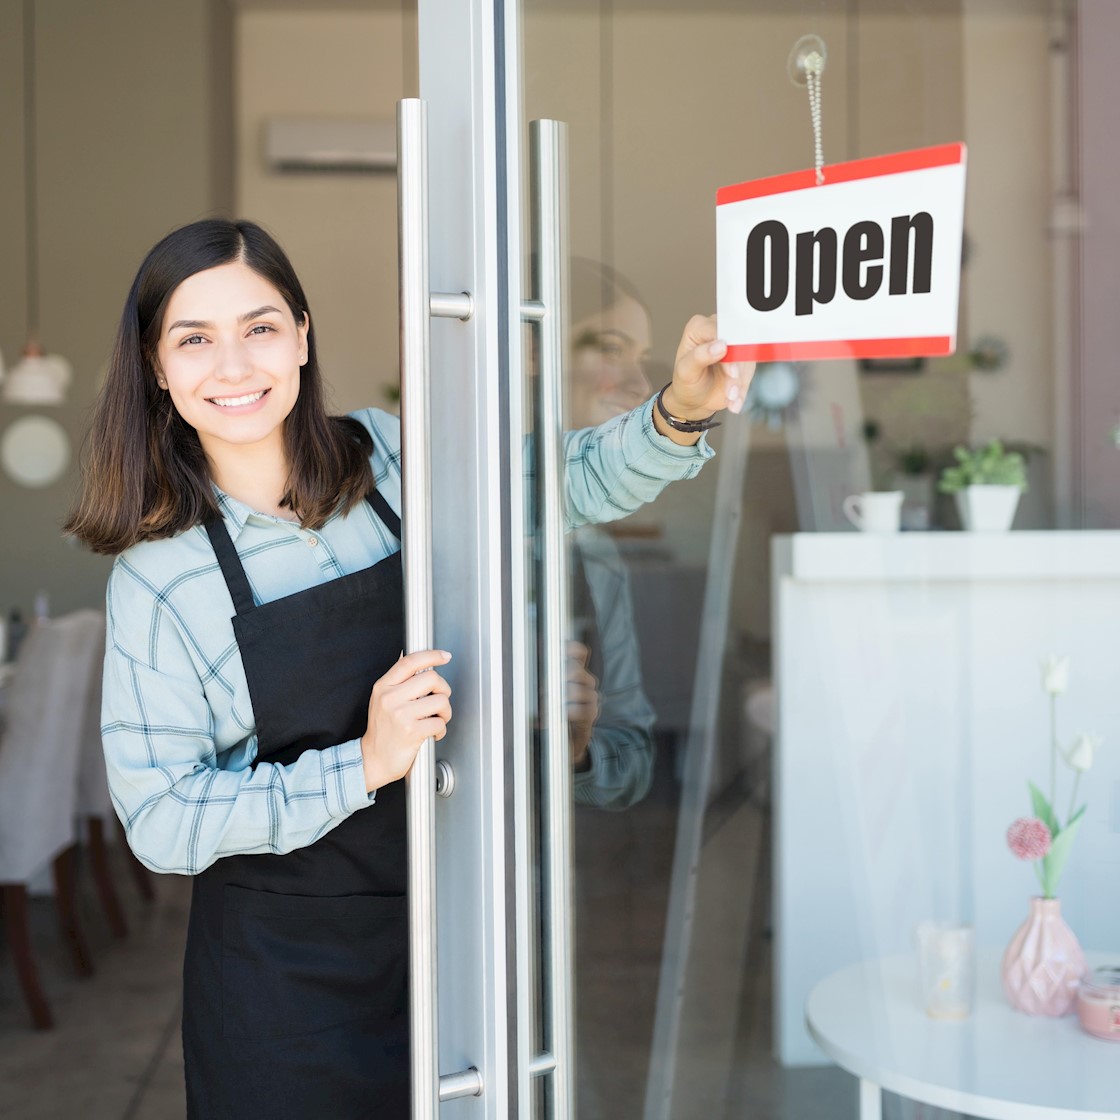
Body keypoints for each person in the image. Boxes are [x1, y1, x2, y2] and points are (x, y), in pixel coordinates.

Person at [64, 218, 747, 1118]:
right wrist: (363, 764)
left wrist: (680, 411)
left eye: (260, 327)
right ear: (158, 367)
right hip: (281, 994)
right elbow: (158, 819)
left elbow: (560, 482)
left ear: (303, 336)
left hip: (450, 937)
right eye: (195, 339)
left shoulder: (385, 455)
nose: (233, 366)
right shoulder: (160, 577)